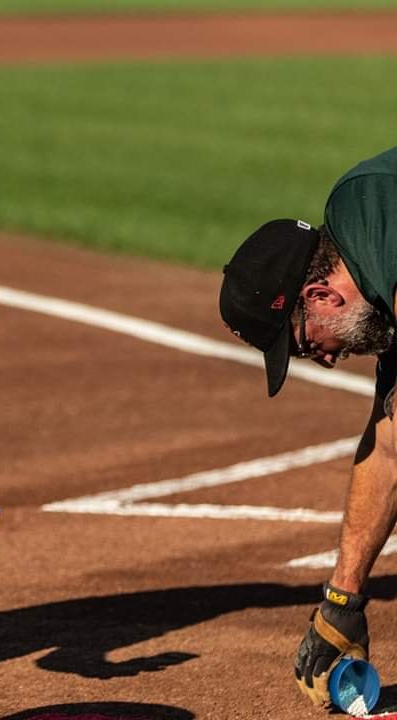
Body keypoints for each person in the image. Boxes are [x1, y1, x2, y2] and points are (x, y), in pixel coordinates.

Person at [219, 146, 397, 709]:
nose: (321, 359)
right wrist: (342, 601)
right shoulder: (375, 262)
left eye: (302, 342)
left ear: (320, 296)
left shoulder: (380, 227)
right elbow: (390, 447)